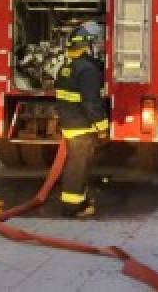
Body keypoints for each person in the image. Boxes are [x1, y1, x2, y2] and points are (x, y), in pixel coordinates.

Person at [53, 23, 109, 217]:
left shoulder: (65, 68)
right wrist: (102, 127)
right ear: (88, 47)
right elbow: (91, 103)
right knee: (78, 167)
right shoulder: (88, 71)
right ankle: (72, 207)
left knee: (75, 164)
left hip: (70, 124)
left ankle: (79, 200)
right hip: (82, 127)